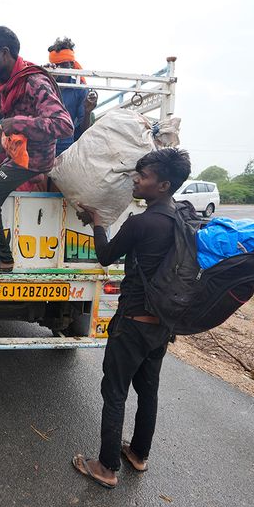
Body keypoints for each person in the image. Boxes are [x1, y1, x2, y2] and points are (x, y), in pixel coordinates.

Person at [71, 147, 191, 489]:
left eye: (145, 176)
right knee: (148, 389)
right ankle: (138, 454)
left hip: (133, 322)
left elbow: (106, 256)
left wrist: (97, 223)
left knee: (115, 391)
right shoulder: (180, 218)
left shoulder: (142, 223)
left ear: (164, 185)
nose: (137, 180)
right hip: (162, 324)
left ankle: (106, 467)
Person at [0, 25, 73, 272]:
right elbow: (0, 112)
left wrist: (18, 123)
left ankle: (3, 260)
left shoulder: (33, 81)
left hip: (33, 161)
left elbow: (64, 125)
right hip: (18, 156)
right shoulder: (10, 83)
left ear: (4, 53)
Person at [46, 37, 97, 156]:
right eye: (61, 65)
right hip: (42, 144)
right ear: (54, 66)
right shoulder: (42, 84)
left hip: (66, 147)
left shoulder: (80, 89)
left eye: (69, 65)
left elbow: (84, 132)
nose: (66, 69)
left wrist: (87, 111)